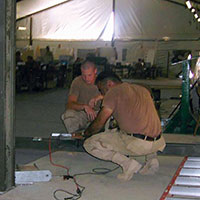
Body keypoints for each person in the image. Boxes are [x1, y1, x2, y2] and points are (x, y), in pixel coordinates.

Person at [82, 71, 166, 181]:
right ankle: (152, 161)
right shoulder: (141, 89)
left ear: (109, 84)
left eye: (101, 89)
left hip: (139, 145)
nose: (101, 92)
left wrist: (86, 133)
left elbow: (99, 123)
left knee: (90, 143)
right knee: (141, 126)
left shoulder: (113, 93)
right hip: (158, 142)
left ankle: (127, 164)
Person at [61, 60, 102, 133]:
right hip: (82, 113)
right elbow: (70, 104)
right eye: (84, 75)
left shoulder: (102, 80)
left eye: (89, 75)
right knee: (68, 116)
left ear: (95, 71)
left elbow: (115, 95)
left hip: (99, 114)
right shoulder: (77, 82)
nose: (87, 79)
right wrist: (84, 107)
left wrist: (100, 97)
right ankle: (76, 136)